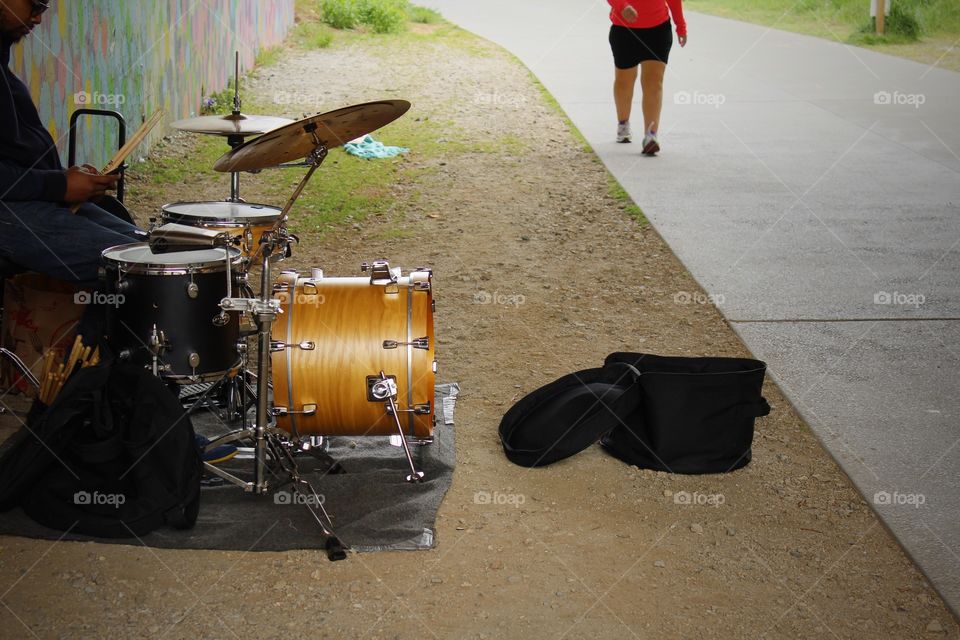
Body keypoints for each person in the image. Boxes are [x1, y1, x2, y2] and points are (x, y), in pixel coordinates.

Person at [0, 0, 143, 288]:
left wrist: (69, 181)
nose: (38, 17)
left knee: (153, 250)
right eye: (34, 4)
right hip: (11, 210)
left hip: (30, 201)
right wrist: (59, 185)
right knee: (136, 267)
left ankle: (88, 334)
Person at [607, 0, 687, 155]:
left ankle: (650, 136)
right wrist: (623, 6)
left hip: (658, 30)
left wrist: (681, 25)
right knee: (624, 81)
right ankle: (623, 124)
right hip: (624, 29)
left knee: (654, 82)